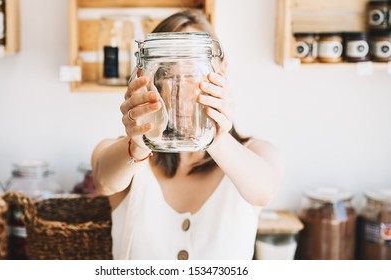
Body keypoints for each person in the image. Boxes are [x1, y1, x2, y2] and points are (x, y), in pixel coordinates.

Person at [91, 9, 283, 260]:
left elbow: (263, 192)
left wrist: (213, 134)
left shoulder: (256, 153)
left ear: (222, 72)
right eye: (169, 74)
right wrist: (139, 144)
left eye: (194, 74)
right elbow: (105, 181)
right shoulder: (125, 153)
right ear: (151, 80)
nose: (183, 89)